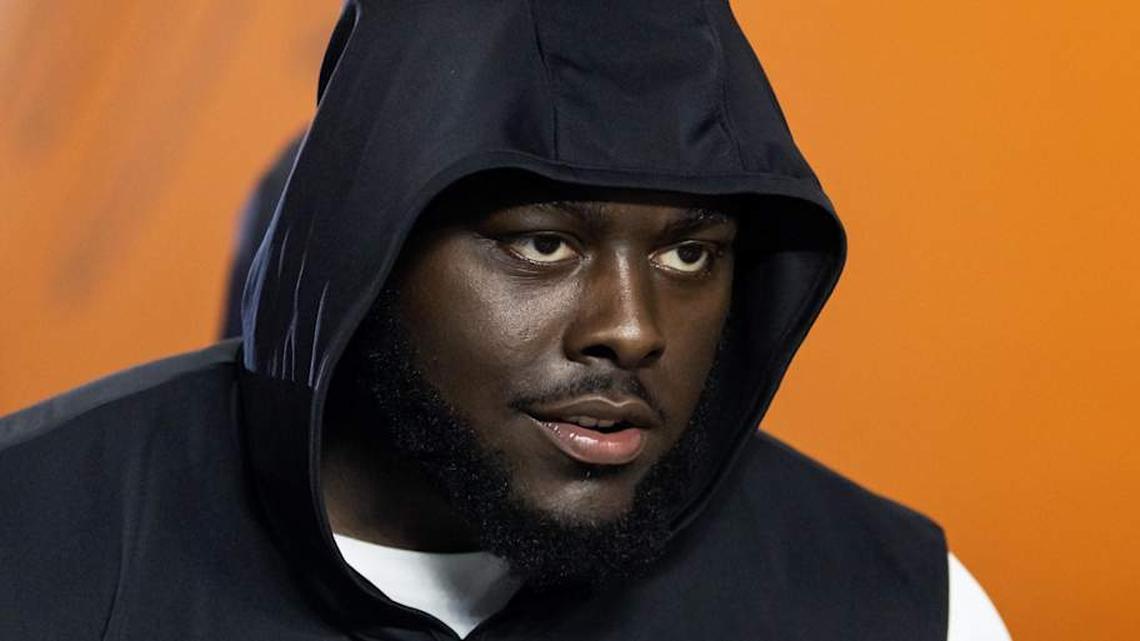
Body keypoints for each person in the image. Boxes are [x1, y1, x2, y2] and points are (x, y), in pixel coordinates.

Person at [0, 1, 1011, 639]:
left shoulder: (897, 605)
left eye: (688, 252)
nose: (632, 327)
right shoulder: (33, 540)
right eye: (542, 243)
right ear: (369, 240)